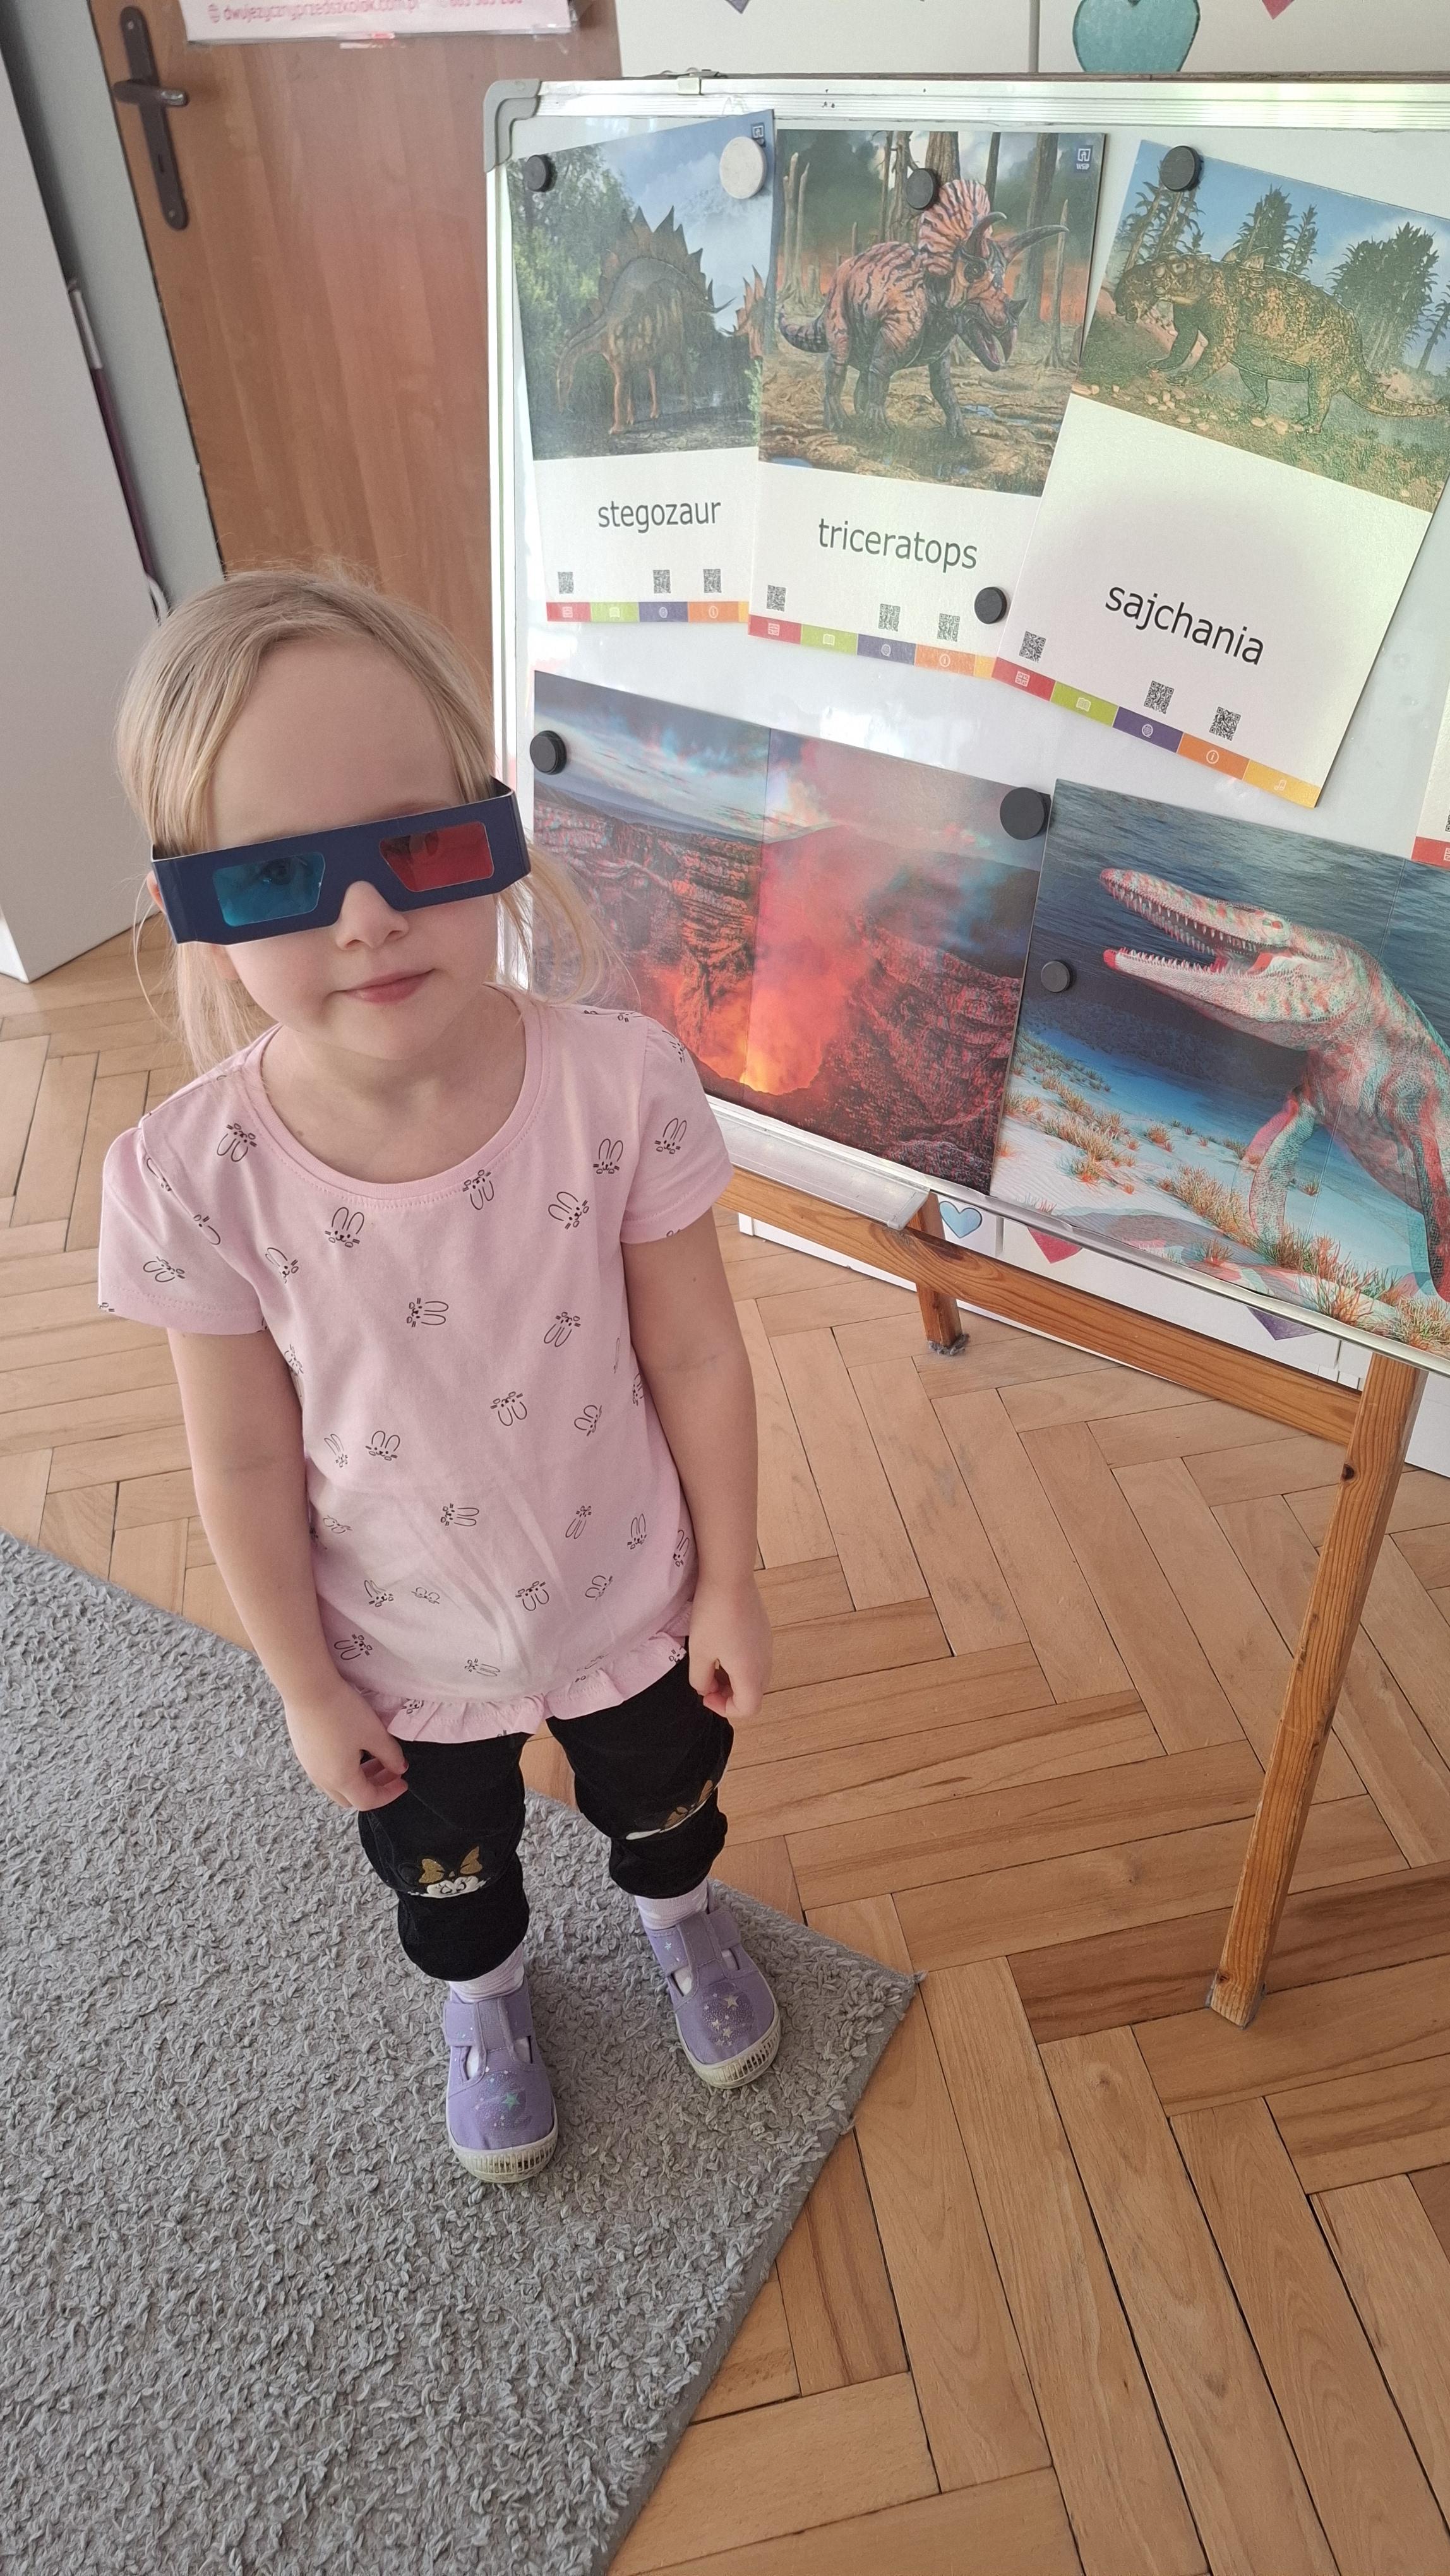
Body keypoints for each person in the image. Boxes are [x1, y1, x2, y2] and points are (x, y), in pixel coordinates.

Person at [96, 568, 778, 2184]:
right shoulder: (193, 1180)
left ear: (493, 829)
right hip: (397, 1655)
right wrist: (303, 1686)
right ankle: (482, 1997)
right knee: (446, 1876)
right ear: (194, 909)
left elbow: (694, 1347)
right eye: (279, 876)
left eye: (417, 846)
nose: (365, 919)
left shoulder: (619, 1084)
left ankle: (676, 1910)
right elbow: (242, 1464)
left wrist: (731, 1580)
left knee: (665, 1805)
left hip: (630, 1600)